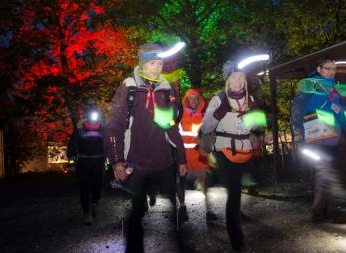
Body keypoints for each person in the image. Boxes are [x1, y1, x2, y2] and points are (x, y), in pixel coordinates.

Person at [104, 43, 187, 253]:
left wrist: (182, 158)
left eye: (160, 63)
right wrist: (117, 161)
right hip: (136, 161)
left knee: (173, 204)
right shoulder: (129, 87)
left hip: (163, 160)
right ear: (142, 64)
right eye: (152, 62)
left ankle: (180, 245)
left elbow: (170, 127)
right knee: (137, 210)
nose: (157, 67)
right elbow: (114, 126)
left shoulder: (165, 89)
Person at [290, 56, 346, 223]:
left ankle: (322, 211)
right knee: (324, 172)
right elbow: (296, 111)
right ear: (319, 69)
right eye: (328, 68)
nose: (332, 72)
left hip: (332, 139)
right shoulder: (309, 85)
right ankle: (319, 213)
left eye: (334, 68)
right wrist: (298, 135)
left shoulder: (336, 90)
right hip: (313, 139)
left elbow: (344, 115)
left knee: (327, 173)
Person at [201, 60, 261, 252]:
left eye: (241, 77)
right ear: (228, 80)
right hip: (224, 152)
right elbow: (206, 127)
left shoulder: (250, 100)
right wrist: (219, 112)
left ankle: (236, 214)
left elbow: (256, 126)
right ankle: (237, 240)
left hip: (245, 151)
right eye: (234, 77)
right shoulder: (218, 99)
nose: (238, 81)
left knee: (244, 188)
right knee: (234, 194)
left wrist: (256, 132)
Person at [177, 88, 217, 222]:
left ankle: (209, 210)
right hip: (183, 157)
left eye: (196, 98)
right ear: (186, 100)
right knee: (180, 183)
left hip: (199, 156)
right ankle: (182, 207)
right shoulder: (179, 115)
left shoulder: (203, 116)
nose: (193, 100)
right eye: (191, 98)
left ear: (199, 99)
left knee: (205, 182)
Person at [67, 100, 105, 225]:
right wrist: (72, 159)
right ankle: (86, 213)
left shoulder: (103, 129)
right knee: (84, 188)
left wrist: (112, 159)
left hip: (98, 162)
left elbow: (109, 144)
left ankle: (94, 203)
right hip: (83, 162)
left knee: (97, 188)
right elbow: (73, 143)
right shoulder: (80, 128)